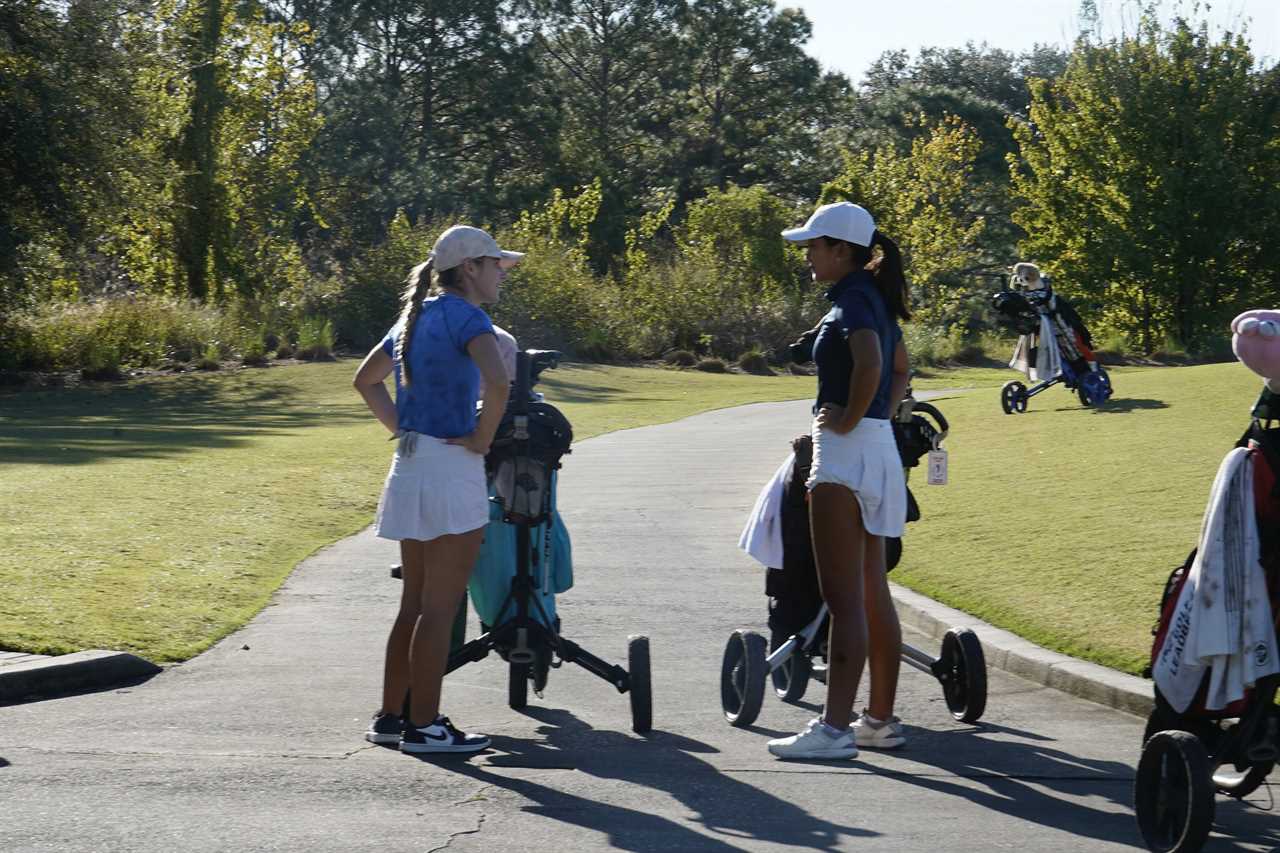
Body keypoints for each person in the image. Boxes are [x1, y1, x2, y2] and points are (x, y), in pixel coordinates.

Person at [353, 224, 523, 754]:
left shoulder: (416, 316)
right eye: (495, 264)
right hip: (451, 468)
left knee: (414, 604)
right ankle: (425, 727)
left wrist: (401, 428)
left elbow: (365, 380)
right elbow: (499, 382)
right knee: (440, 607)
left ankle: (390, 717)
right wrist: (483, 437)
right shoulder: (471, 317)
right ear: (469, 269)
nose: (501, 272)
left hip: (410, 464)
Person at [767, 201, 912, 760]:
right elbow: (900, 371)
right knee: (874, 593)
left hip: (846, 452)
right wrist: (874, 417)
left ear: (842, 250)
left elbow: (873, 363)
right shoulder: (875, 297)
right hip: (877, 449)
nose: (807, 254)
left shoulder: (852, 300)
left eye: (814, 245)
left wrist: (848, 419)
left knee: (844, 599)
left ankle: (832, 732)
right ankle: (877, 721)